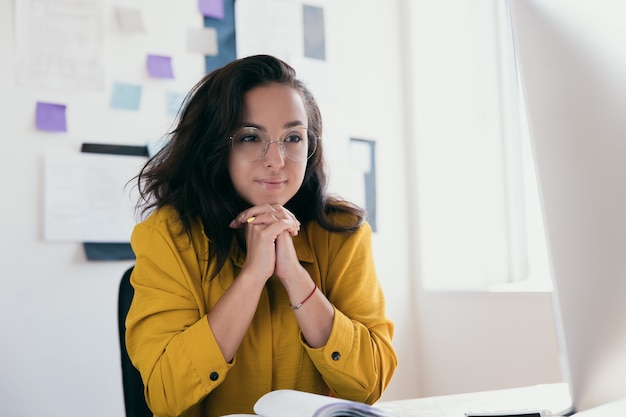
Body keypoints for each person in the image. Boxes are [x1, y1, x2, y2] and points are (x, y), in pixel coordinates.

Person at [125, 54, 398, 417]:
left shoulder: (342, 232)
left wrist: (296, 278)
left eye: (293, 137)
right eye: (251, 137)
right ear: (215, 147)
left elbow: (370, 385)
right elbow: (165, 394)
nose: (277, 160)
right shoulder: (167, 237)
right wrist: (253, 276)